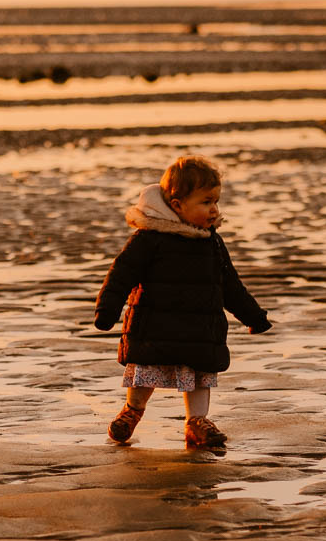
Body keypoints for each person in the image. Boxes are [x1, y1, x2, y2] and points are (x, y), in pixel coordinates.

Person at [93, 155, 271, 448]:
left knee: (200, 376)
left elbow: (230, 285)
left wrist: (254, 317)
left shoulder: (211, 242)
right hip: (153, 327)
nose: (214, 209)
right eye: (206, 202)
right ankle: (132, 411)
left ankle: (196, 423)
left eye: (216, 201)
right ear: (177, 205)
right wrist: (107, 309)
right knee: (145, 374)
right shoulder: (149, 239)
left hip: (200, 329)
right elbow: (121, 274)